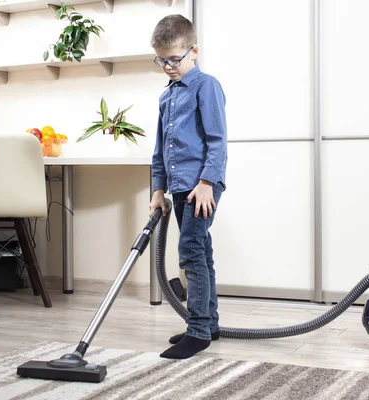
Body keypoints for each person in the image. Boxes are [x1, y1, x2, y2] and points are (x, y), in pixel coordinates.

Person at [148, 14, 228, 360]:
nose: (168, 66)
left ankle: (197, 332)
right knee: (201, 252)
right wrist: (157, 190)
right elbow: (159, 149)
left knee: (190, 251)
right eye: (161, 60)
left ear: (193, 51)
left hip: (202, 186)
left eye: (174, 59)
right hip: (179, 188)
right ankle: (208, 323)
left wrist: (207, 182)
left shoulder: (206, 86)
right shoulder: (166, 97)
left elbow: (217, 140)